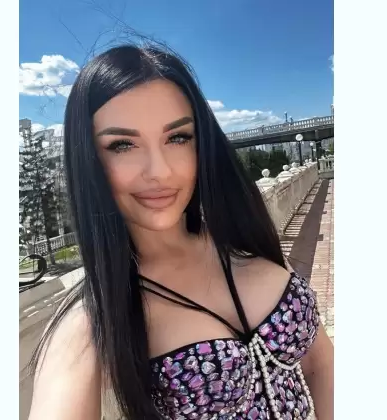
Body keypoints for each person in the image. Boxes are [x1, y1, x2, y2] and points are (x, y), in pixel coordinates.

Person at [28, 44, 334, 420]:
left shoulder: (241, 237)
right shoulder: (95, 321)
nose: (159, 171)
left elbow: (321, 362)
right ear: (90, 159)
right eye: (122, 145)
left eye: (177, 138)